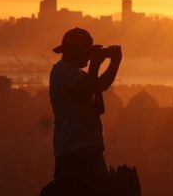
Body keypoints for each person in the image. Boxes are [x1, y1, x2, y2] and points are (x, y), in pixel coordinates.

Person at [48, 27, 122, 184]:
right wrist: (95, 64)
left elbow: (100, 86)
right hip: (74, 149)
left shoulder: (78, 74)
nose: (89, 56)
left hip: (88, 146)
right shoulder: (62, 70)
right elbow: (85, 92)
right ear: (76, 50)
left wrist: (115, 63)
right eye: (87, 51)